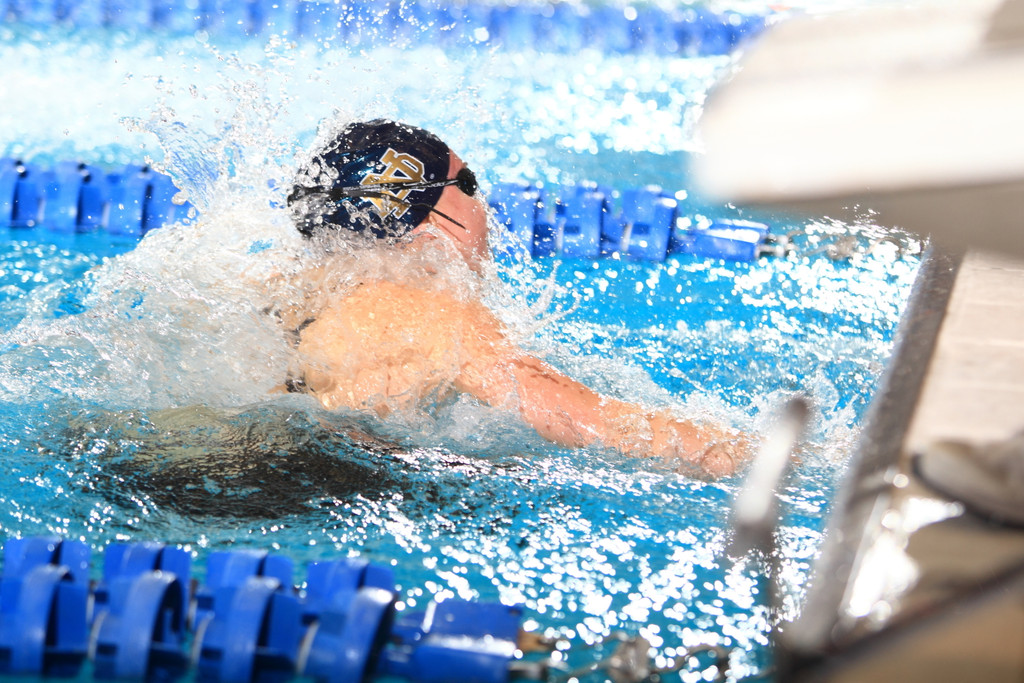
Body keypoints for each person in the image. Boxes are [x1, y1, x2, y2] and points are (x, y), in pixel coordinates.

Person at [284, 119, 749, 477]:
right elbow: (588, 423)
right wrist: (762, 455)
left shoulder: (297, 291)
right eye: (467, 185)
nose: (484, 203)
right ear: (425, 223)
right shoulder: (432, 315)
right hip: (322, 493)